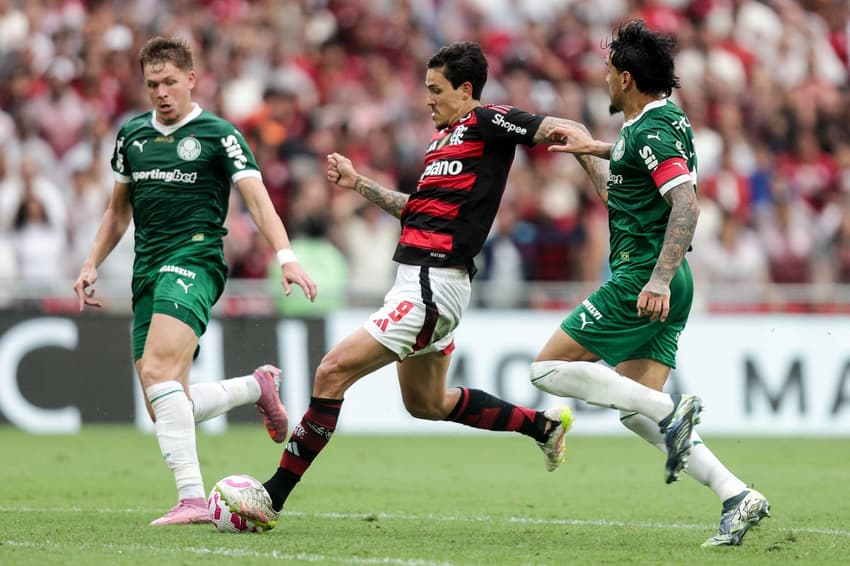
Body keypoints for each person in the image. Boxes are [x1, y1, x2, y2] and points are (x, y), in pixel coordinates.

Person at [241, 41, 594, 523]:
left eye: (436, 90)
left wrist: (598, 164)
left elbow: (562, 129)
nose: (428, 99)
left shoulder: (488, 120)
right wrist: (359, 183)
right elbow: (416, 209)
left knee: (331, 371)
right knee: (426, 403)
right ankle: (543, 426)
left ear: (465, 90)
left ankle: (272, 496)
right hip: (419, 281)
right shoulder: (441, 143)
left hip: (433, 283)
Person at [531, 20, 771, 546]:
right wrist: (588, 150)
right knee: (634, 410)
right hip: (668, 277)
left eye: (608, 72)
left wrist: (657, 280)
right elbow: (622, 194)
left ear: (626, 78)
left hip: (644, 277)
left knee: (545, 370)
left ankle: (672, 409)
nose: (604, 80)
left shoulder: (650, 132)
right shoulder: (659, 122)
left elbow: (686, 205)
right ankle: (736, 495)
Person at [72, 36, 317, 526]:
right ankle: (256, 387)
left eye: (169, 82)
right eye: (152, 85)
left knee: (159, 372)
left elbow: (257, 199)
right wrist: (91, 261)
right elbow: (118, 211)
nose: (161, 92)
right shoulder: (132, 136)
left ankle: (192, 500)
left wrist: (286, 256)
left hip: (195, 259)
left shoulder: (219, 134)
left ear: (190, 79)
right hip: (146, 268)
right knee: (163, 402)